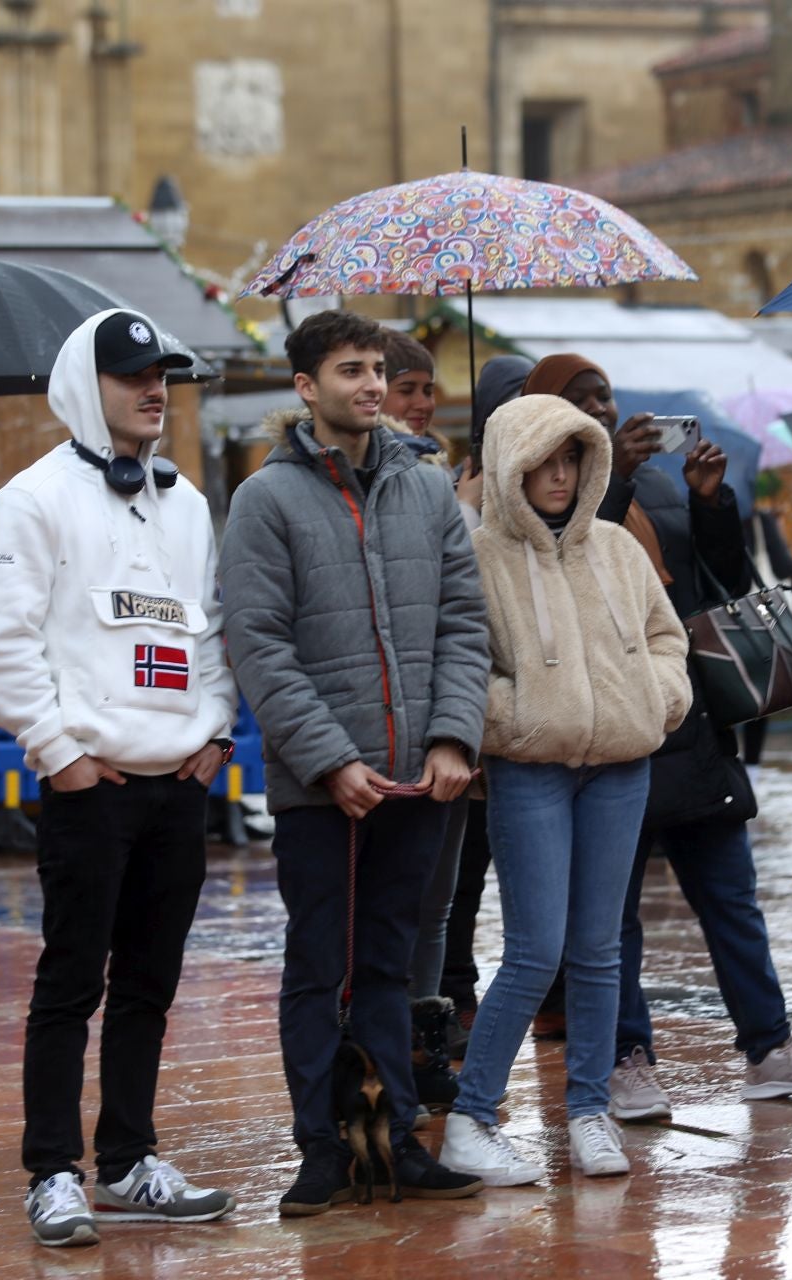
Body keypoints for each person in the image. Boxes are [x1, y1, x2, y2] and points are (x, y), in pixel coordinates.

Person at [525, 354, 792, 1120]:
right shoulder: (547, 493)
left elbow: (716, 590)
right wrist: (619, 482)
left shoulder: (661, 485)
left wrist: (710, 505)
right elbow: (571, 570)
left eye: (607, 395)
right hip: (608, 727)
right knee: (612, 914)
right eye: (584, 400)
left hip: (688, 723)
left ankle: (770, 1047)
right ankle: (625, 1059)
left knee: (731, 895)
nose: (604, 410)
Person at [0, 309, 239, 1246]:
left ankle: (129, 1160)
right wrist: (60, 753)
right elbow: (5, 650)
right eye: (133, 376)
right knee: (69, 984)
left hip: (177, 788)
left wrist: (216, 737)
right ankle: (52, 1171)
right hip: (93, 791)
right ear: (89, 386)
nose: (154, 389)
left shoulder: (190, 504)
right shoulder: (29, 501)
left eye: (161, 374)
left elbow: (207, 635)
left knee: (150, 987)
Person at [221, 309, 491, 1217]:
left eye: (378, 368)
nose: (372, 385)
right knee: (317, 968)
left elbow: (464, 621)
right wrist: (330, 761)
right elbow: (257, 645)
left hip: (417, 778)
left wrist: (453, 737)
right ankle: (322, 1149)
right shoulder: (265, 500)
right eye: (351, 371)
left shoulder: (425, 490)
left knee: (391, 962)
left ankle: (399, 1139)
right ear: (306, 387)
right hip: (322, 790)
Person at [437, 395, 690, 1186]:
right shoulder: (480, 556)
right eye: (543, 460)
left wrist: (655, 698)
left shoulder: (616, 547)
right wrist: (513, 721)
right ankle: (471, 1118)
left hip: (621, 764)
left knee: (598, 949)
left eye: (572, 457)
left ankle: (589, 1112)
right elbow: (460, 664)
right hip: (532, 769)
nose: (558, 474)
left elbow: (666, 638)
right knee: (535, 951)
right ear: (511, 465)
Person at [379, 331, 468, 1109]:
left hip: (447, 724)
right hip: (373, 736)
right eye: (403, 387)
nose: (417, 403)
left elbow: (465, 614)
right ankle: (368, 1045)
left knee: (435, 905)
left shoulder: (447, 481)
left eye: (422, 389)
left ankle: (423, 1043)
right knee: (373, 909)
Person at [440, 355, 533, 1036]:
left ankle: (550, 995)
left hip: (540, 718)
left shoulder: (559, 486)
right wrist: (468, 510)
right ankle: (454, 994)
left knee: (536, 877)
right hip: (473, 719)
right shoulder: (455, 494)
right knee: (461, 878)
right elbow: (451, 598)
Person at [738, 502, 792, 784]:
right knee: (760, 693)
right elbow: (784, 566)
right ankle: (752, 767)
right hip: (758, 618)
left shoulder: (696, 513)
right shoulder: (759, 520)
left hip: (715, 620)